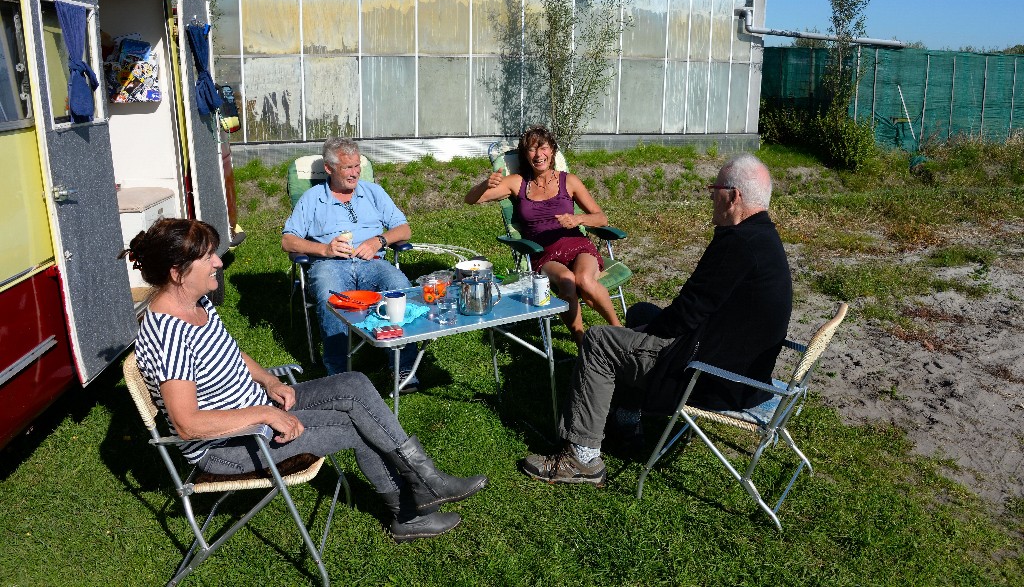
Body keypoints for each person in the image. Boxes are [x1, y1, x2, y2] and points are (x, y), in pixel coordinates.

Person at [121, 218, 487, 542]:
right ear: (176, 272)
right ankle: (407, 514)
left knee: (355, 382)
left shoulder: (197, 303)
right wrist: (263, 415)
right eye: (208, 257)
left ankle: (427, 482)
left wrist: (268, 381)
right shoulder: (167, 334)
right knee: (356, 424)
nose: (219, 261)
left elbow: (230, 353)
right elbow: (187, 424)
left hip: (255, 406)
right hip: (229, 448)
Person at [519, 153, 793, 486]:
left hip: (713, 376)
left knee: (599, 340)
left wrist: (646, 335)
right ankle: (625, 420)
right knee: (640, 313)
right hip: (736, 364)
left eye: (715, 188)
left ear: (734, 196)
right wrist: (646, 328)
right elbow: (697, 309)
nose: (710, 195)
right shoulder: (759, 237)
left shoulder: (739, 245)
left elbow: (688, 311)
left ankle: (582, 457)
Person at [282, 137, 419, 391]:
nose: (355, 173)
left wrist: (379, 241)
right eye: (347, 168)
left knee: (399, 285)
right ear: (329, 169)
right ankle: (339, 373)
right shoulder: (312, 199)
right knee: (330, 295)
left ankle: (403, 368)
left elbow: (404, 229)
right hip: (329, 264)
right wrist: (324, 248)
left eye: (357, 166)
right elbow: (288, 241)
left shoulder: (373, 192)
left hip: (372, 262)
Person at [464, 125, 622, 345]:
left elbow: (601, 217)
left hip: (577, 244)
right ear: (525, 155)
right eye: (531, 150)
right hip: (544, 253)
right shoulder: (517, 182)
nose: (538, 155)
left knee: (584, 281)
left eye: (543, 148)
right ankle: (581, 341)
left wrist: (578, 219)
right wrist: (484, 184)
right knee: (567, 281)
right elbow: (471, 199)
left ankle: (621, 332)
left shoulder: (570, 181)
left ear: (552, 151)